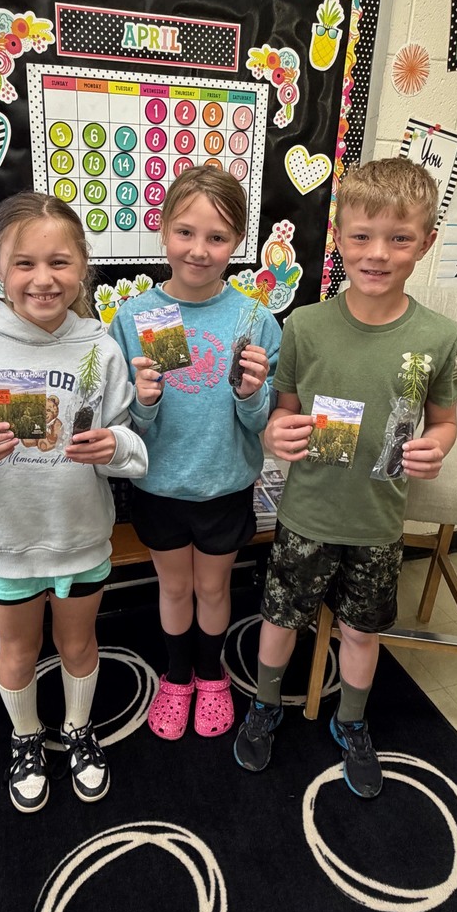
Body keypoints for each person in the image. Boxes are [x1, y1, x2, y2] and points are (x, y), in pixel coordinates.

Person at [233, 158, 457, 798]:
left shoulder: (440, 337)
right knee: (281, 617)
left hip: (378, 519)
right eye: (361, 236)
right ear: (337, 235)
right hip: (307, 512)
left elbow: (443, 422)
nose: (378, 254)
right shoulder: (304, 326)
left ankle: (353, 720)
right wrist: (277, 435)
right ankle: (266, 705)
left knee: (365, 628)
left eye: (398, 238)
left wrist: (435, 446)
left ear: (426, 242)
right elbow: (281, 415)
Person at [0, 192, 148, 813]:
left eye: (60, 263)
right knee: (17, 650)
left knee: (78, 646)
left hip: (80, 538)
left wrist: (114, 446)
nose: (43, 279)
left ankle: (78, 730)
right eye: (24, 264)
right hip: (5, 543)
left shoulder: (101, 348)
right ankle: (25, 738)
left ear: (82, 268)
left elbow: (131, 441)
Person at [108, 166, 281, 741]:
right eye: (185, 233)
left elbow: (260, 421)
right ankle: (176, 677)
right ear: (161, 231)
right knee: (174, 587)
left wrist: (252, 394)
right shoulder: (133, 319)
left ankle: (212, 676)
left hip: (225, 483)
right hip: (159, 487)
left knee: (213, 587)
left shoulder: (256, 319)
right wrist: (146, 402)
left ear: (238, 242)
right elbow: (124, 426)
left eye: (217, 237)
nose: (199, 251)